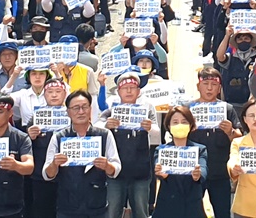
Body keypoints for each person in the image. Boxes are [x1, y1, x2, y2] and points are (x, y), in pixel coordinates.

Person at [43, 91, 122, 218]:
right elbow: (47, 174)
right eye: (75, 108)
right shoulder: (58, 137)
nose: (81, 112)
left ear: (90, 109)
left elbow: (116, 169)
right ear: (68, 112)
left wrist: (107, 165)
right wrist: (54, 164)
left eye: (84, 107)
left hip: (97, 205)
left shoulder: (104, 134)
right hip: (68, 206)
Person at [95, 71, 159, 218]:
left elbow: (157, 136)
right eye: (125, 88)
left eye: (132, 87)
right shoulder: (112, 108)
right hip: (115, 172)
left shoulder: (147, 108)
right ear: (118, 91)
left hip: (141, 171)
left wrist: (150, 128)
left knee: (141, 212)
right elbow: (96, 129)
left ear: (138, 91)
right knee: (112, 212)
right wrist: (106, 125)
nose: (129, 91)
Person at [187, 68, 240, 218]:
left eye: (213, 85)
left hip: (220, 171)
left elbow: (239, 139)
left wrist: (230, 131)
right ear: (198, 87)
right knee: (192, 212)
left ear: (219, 88)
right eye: (205, 84)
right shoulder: (188, 109)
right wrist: (187, 130)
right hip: (194, 171)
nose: (209, 88)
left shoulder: (227, 109)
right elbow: (175, 136)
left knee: (223, 212)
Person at [151, 105, 207, 218]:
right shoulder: (161, 150)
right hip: (167, 207)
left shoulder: (200, 149)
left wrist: (198, 175)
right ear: (168, 126)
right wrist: (161, 174)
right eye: (175, 122)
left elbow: (204, 169)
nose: (180, 125)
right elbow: (157, 169)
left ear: (191, 125)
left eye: (184, 122)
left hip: (192, 207)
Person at [25, 78, 68, 218]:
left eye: (58, 91)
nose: (54, 95)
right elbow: (25, 148)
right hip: (40, 176)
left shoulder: (72, 115)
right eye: (50, 92)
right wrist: (29, 136)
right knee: (41, 210)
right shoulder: (36, 118)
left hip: (68, 176)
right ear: (44, 95)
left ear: (65, 93)